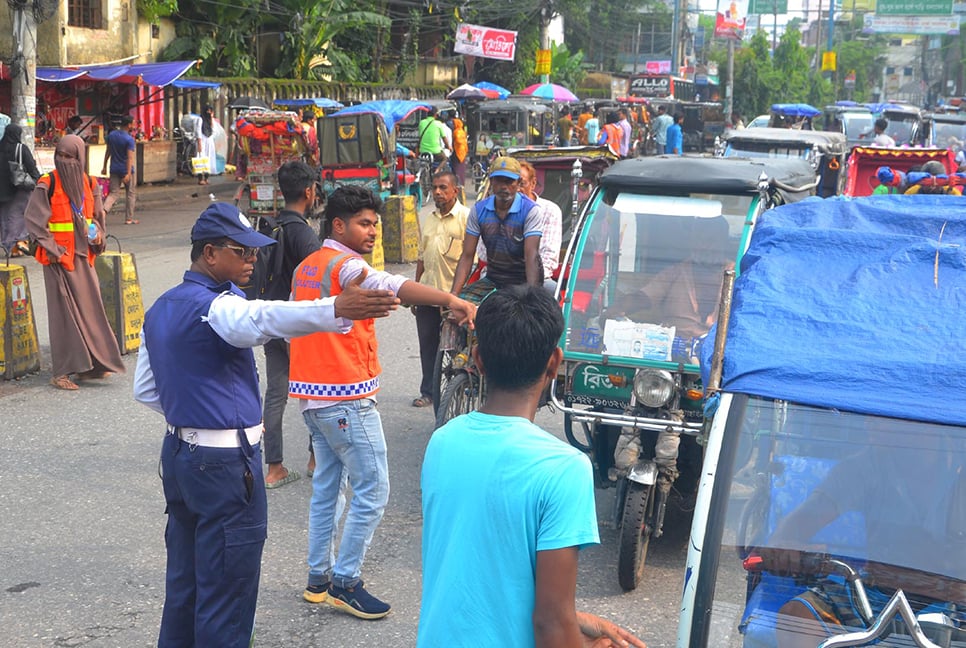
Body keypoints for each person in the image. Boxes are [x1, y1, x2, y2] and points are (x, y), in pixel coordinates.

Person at [133, 201, 400, 647]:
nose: (252, 260)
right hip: (223, 465)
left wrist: (192, 412)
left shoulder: (162, 306)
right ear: (211, 254)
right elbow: (262, 317)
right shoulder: (217, 308)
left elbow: (146, 390)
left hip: (180, 454)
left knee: (185, 585)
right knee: (228, 596)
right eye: (243, 252)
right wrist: (334, 307)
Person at [417, 285, 648, 648]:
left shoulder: (443, 441)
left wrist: (576, 621)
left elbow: (484, 574)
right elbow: (551, 623)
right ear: (554, 363)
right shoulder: (564, 469)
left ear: (477, 360)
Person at [290, 185, 475, 620]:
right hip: (346, 397)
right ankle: (346, 582)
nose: (373, 231)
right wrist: (450, 299)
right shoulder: (348, 266)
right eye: (364, 223)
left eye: (375, 222)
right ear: (339, 225)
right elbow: (393, 283)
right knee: (373, 490)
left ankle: (319, 579)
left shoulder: (309, 266)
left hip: (312, 397)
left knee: (328, 489)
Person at [756, 417, 966, 648]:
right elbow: (800, 523)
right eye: (872, 415)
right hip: (872, 592)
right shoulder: (865, 465)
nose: (871, 423)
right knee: (796, 617)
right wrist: (784, 545)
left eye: (886, 416)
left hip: (953, 599)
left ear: (924, 420)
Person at [24, 134, 125, 391]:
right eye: (61, 155)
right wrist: (53, 248)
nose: (64, 161)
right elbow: (34, 220)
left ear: (80, 158)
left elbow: (98, 217)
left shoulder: (90, 183)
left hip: (83, 257)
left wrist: (98, 236)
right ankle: (62, 372)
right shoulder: (48, 182)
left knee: (92, 312)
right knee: (64, 316)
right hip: (58, 259)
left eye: (70, 156)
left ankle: (94, 365)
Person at [259, 161, 326, 488]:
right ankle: (315, 459)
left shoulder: (268, 227)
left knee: (275, 394)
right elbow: (320, 278)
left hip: (270, 319)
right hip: (298, 325)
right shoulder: (304, 233)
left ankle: (274, 468)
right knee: (314, 393)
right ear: (309, 191)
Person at [412, 170, 470, 409]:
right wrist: (414, 292)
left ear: (455, 191)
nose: (437, 192)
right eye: (435, 187)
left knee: (458, 346)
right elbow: (421, 257)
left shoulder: (466, 217)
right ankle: (429, 392)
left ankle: (461, 386)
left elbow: (472, 259)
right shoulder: (430, 218)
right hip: (427, 293)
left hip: (453, 296)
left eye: (443, 188)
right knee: (427, 345)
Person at [450, 156, 544, 300]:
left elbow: (531, 256)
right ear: (491, 181)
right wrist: (454, 295)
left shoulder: (530, 211)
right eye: (499, 180)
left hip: (522, 281)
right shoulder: (478, 210)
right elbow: (467, 255)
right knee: (456, 311)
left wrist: (532, 297)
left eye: (509, 181)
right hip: (493, 279)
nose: (503, 186)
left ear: (518, 183)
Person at [518, 160, 562, 290]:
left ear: (533, 184)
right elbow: (484, 253)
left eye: (522, 183)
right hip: (502, 275)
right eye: (511, 183)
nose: (517, 189)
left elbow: (549, 256)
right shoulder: (498, 208)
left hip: (538, 276)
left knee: (551, 291)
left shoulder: (550, 210)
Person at [0, 124, 41, 256]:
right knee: (18, 216)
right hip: (19, 188)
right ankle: (16, 244)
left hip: (2, 190)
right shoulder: (20, 148)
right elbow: (31, 167)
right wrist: (37, 179)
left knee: (6, 217)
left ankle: (8, 245)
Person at [101, 115, 139, 225]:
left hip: (114, 168)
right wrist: (127, 173)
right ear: (129, 125)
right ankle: (129, 218)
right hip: (126, 169)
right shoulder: (129, 139)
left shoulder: (111, 135)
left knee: (113, 193)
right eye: (133, 123)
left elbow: (108, 151)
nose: (134, 125)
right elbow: (129, 157)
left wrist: (104, 166)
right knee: (130, 193)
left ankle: (103, 211)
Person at [194, 105, 216, 185]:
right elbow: (198, 130)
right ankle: (200, 179)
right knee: (201, 158)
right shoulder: (200, 119)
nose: (209, 113)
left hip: (209, 140)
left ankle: (206, 177)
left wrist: (212, 118)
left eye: (210, 111)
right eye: (208, 111)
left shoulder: (210, 120)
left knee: (209, 159)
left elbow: (213, 129)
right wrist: (199, 142)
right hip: (202, 140)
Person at [449, 111, 469, 187]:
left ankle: (457, 183)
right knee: (461, 169)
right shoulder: (462, 131)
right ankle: (461, 183)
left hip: (457, 152)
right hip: (462, 152)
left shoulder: (456, 132)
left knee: (457, 168)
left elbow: (456, 141)